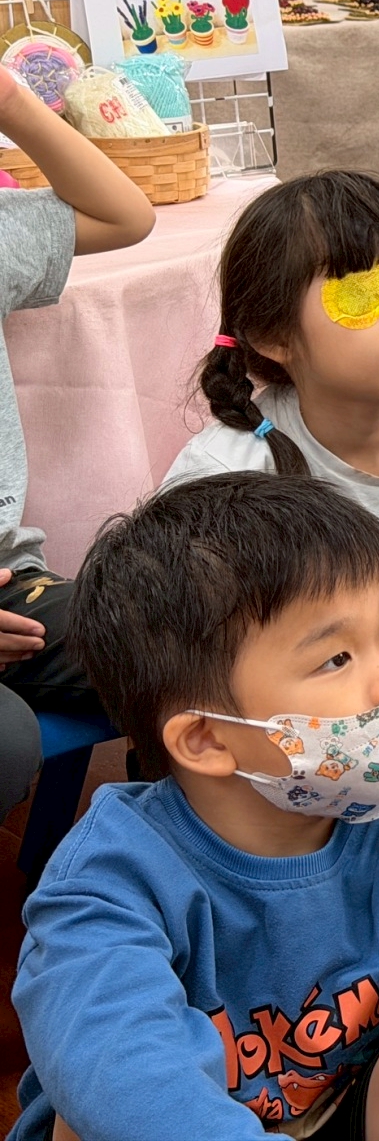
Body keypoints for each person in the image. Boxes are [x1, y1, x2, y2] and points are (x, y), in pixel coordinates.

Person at [10, 472, 379, 1141]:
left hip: (344, 1105)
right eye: (336, 658)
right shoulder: (111, 876)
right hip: (190, 1123)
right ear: (206, 739)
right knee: (81, 1125)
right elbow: (119, 1067)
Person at [163, 171, 379, 769]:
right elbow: (202, 664)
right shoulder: (227, 471)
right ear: (274, 335)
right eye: (364, 294)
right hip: (283, 740)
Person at [0, 59, 153, 815]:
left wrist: (15, 104)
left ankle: (166, 863)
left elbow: (126, 217)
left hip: (12, 585)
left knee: (192, 646)